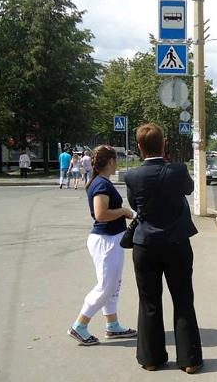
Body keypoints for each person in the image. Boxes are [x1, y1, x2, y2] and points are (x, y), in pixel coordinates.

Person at [125, 123, 203, 373]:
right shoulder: (178, 170)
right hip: (177, 243)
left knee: (149, 302)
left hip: (145, 245)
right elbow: (189, 189)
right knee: (183, 299)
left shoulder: (133, 175)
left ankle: (151, 359)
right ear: (164, 144)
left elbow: (134, 205)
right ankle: (189, 361)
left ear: (139, 147)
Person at [68, 145, 137, 346]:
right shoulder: (101, 185)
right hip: (106, 240)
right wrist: (124, 211)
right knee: (106, 286)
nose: (117, 164)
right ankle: (79, 325)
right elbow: (101, 214)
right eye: (116, 160)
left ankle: (112, 325)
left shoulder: (100, 182)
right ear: (110, 162)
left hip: (110, 239)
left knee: (113, 284)